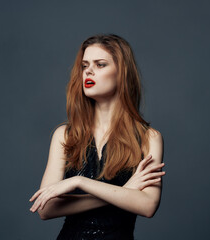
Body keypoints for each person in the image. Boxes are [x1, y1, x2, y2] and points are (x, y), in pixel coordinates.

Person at [29, 33, 165, 240]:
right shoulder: (65, 135)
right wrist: (124, 192)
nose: (89, 71)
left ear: (122, 73)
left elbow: (147, 206)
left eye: (100, 64)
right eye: (85, 66)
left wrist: (80, 183)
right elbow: (45, 209)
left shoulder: (149, 138)